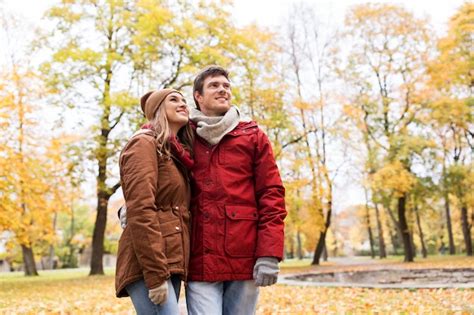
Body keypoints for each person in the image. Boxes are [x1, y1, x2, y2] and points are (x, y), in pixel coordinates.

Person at [185, 65, 286, 315]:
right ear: (198, 96)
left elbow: (271, 194)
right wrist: (132, 205)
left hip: (245, 255)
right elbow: (153, 165)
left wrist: (269, 254)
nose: (223, 90)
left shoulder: (253, 136)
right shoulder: (183, 133)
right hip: (200, 257)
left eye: (226, 86)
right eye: (214, 85)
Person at [115, 88, 194, 315]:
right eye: (173, 100)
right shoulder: (143, 144)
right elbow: (141, 209)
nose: (182, 104)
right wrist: (156, 275)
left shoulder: (174, 153)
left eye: (184, 100)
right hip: (148, 262)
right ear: (158, 110)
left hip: (171, 258)